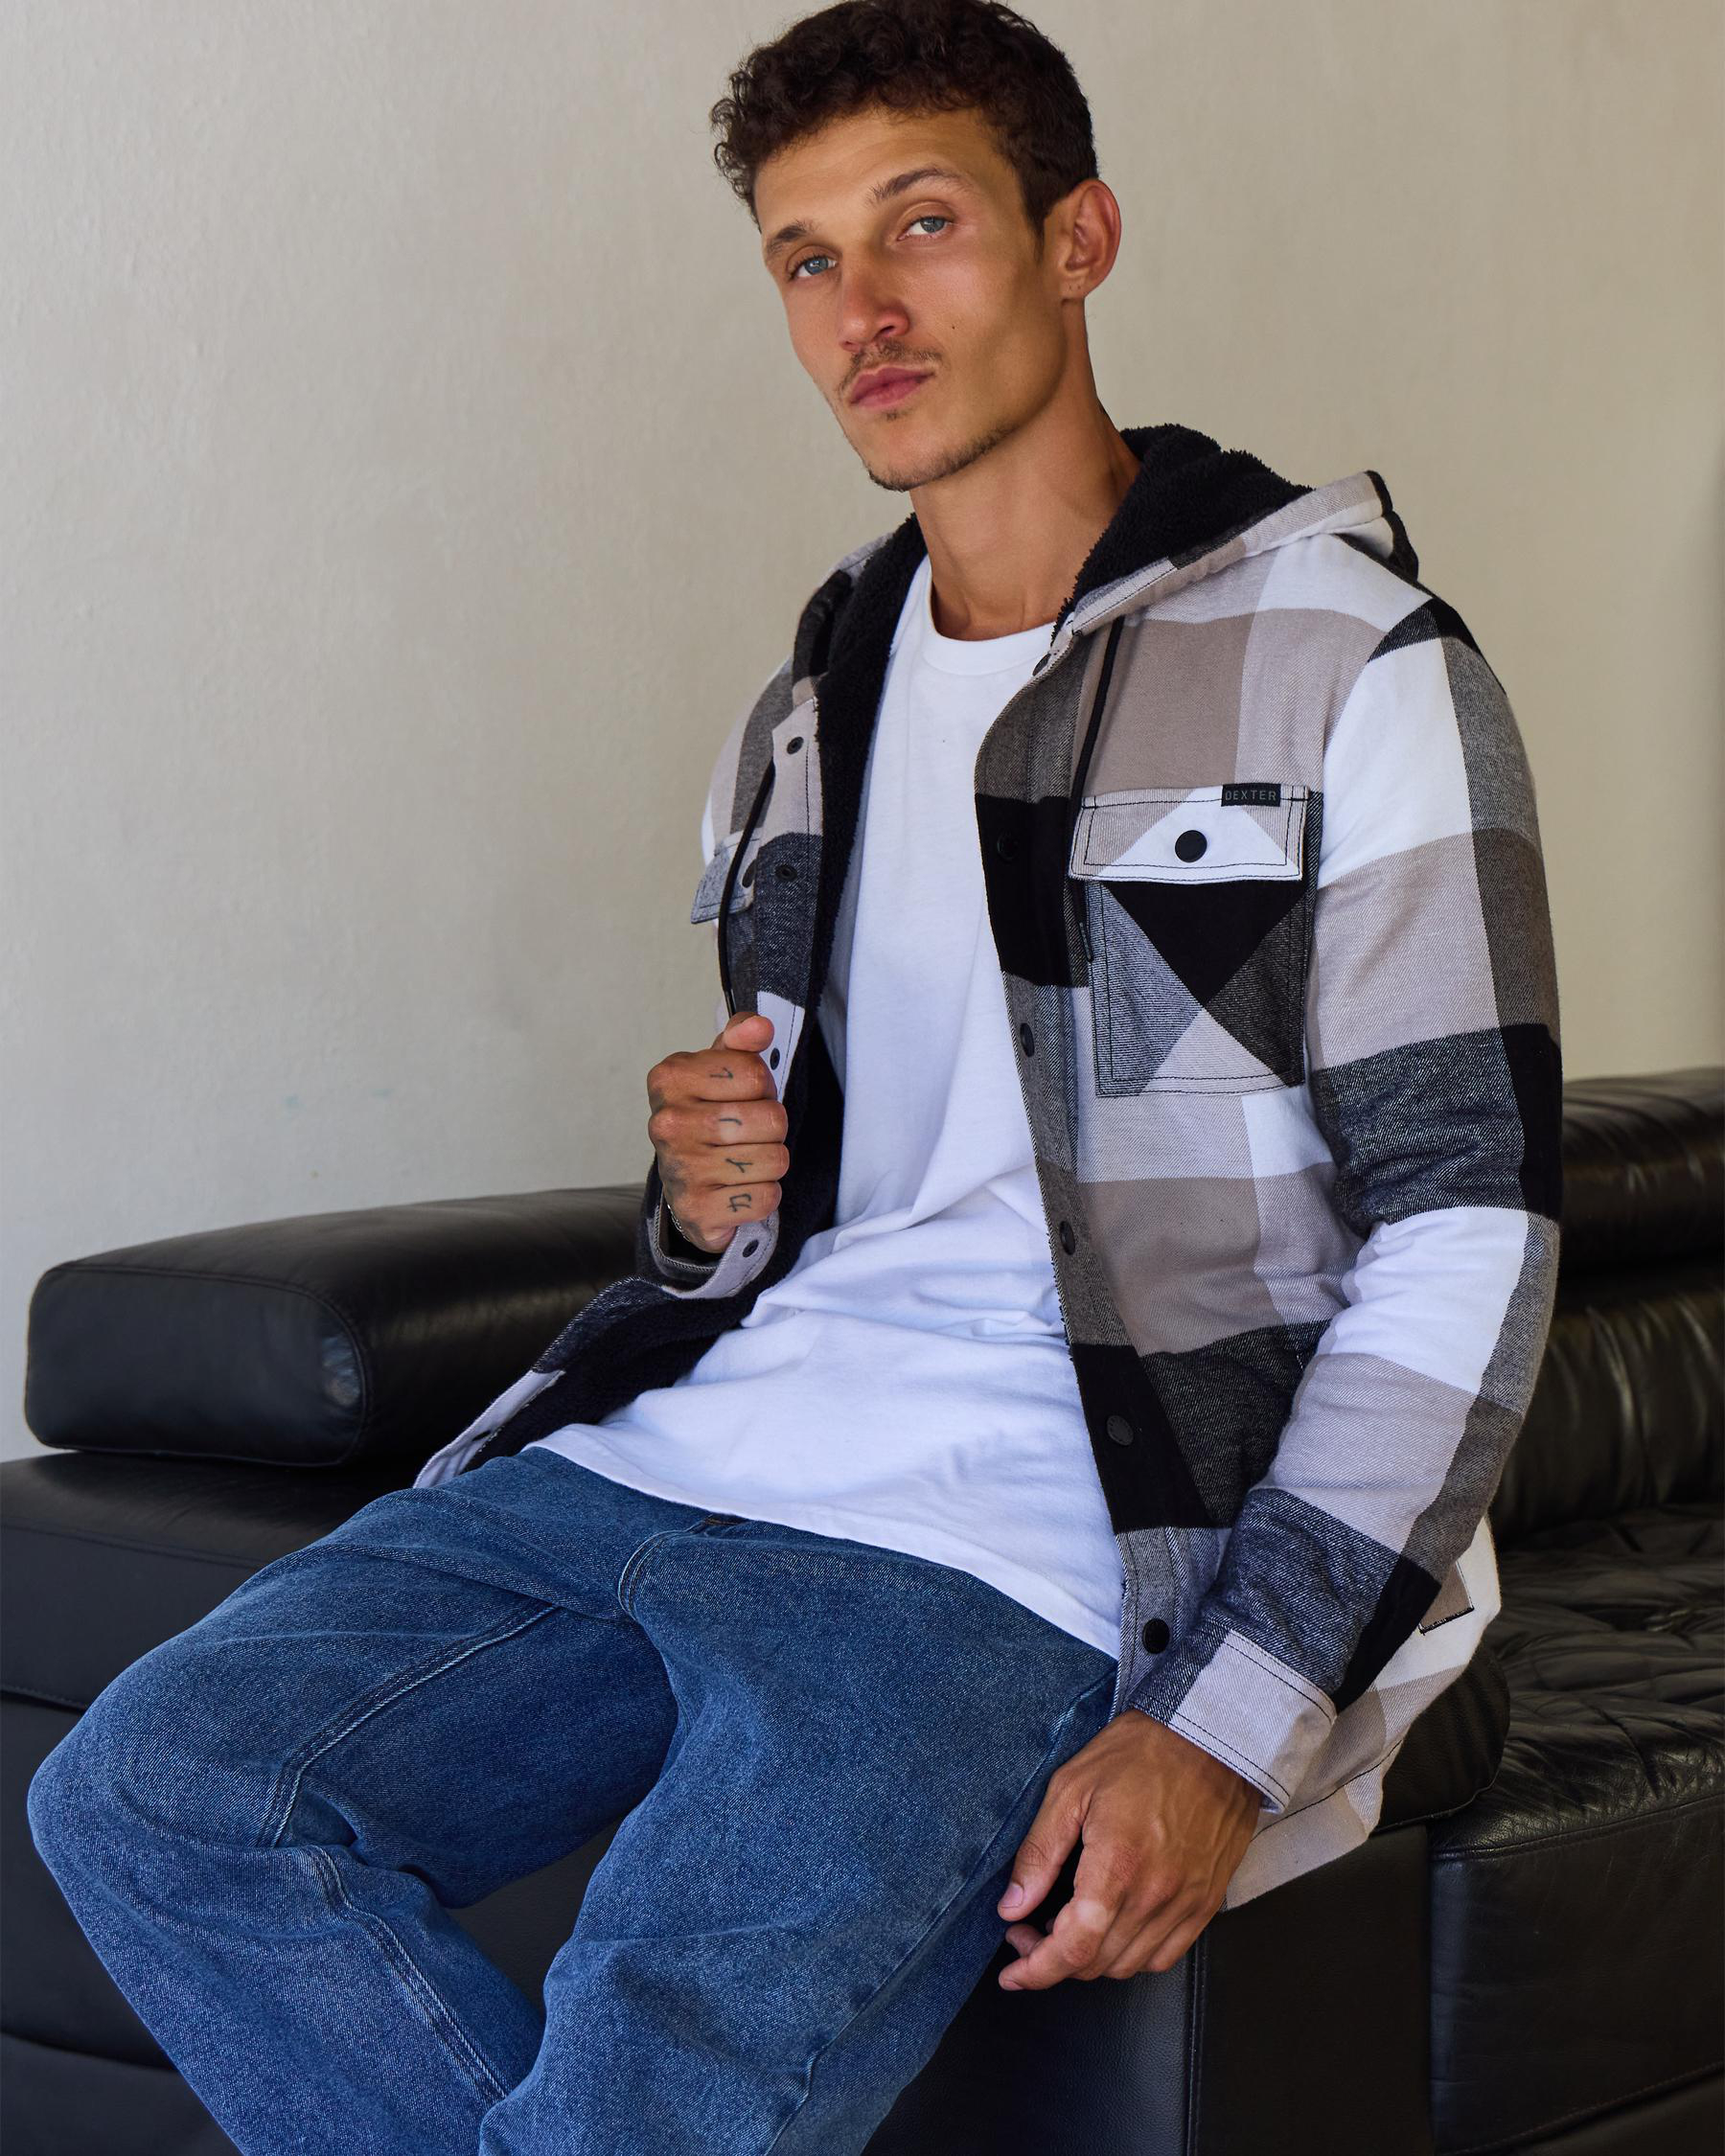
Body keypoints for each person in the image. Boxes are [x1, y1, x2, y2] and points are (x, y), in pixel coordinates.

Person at [26, 3, 1564, 2151]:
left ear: (1078, 239)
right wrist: (701, 1191)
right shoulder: (808, 704)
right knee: (154, 1791)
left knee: (644, 2085)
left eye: (923, 225)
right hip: (686, 1443)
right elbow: (812, 1180)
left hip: (1021, 1541)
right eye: (807, 258)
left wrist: (1230, 1723)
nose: (864, 310)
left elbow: (1469, 1229)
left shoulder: (1347, 665)